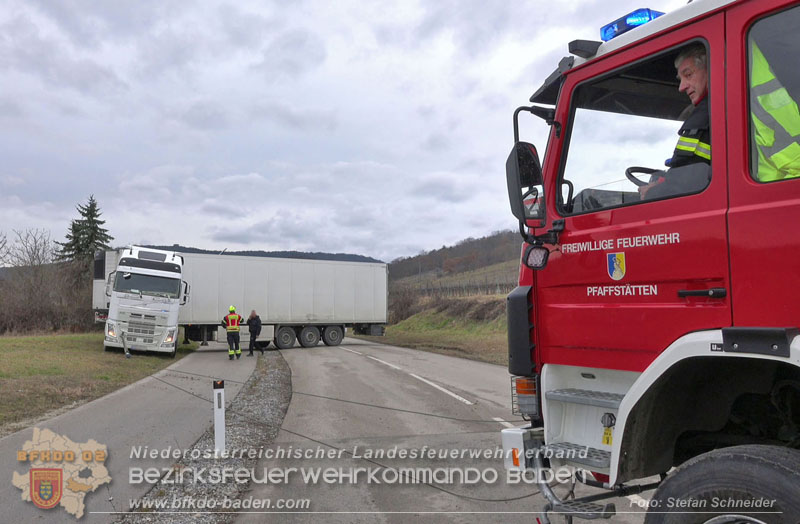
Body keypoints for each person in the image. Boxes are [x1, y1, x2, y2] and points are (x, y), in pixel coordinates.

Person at [640, 44, 711, 199]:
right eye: (681, 79)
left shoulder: (706, 115)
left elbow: (686, 181)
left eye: (688, 74)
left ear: (711, 68)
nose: (681, 87)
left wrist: (652, 193)